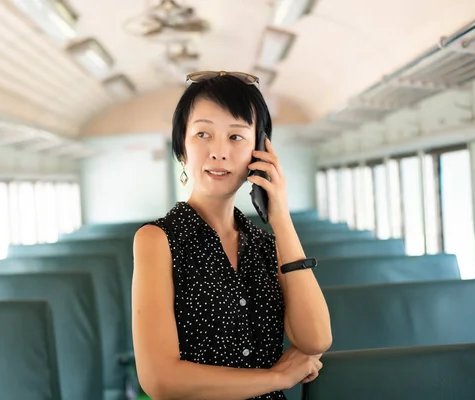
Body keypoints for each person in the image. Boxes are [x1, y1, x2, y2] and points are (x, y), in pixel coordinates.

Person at [131, 71, 332, 400]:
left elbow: (316, 340)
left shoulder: (267, 246)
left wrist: (280, 216)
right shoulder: (157, 240)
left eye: (236, 137)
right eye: (202, 134)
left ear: (260, 151)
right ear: (182, 146)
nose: (218, 151)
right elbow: (160, 380)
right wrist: (276, 377)